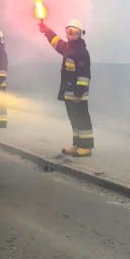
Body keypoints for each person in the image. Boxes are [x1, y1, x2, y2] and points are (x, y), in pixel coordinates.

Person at [39, 18, 92, 158]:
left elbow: (84, 73)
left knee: (82, 118)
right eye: (69, 32)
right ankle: (77, 144)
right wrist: (45, 29)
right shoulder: (67, 48)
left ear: (80, 34)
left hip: (78, 93)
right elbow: (55, 41)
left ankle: (86, 147)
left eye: (74, 32)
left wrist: (80, 90)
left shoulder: (81, 51)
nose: (71, 35)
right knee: (74, 119)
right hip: (69, 93)